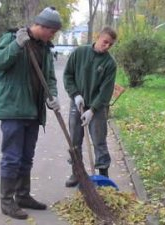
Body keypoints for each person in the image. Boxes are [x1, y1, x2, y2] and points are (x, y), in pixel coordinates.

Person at [0, 7, 62, 220]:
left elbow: (49, 78)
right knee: (12, 158)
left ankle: (22, 196)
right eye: (52, 31)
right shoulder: (13, 37)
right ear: (42, 26)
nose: (53, 35)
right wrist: (16, 45)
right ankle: (7, 201)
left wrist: (53, 96)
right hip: (13, 108)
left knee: (26, 158)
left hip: (34, 110)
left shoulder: (45, 48)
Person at [63, 26, 118, 187]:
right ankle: (77, 173)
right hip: (77, 103)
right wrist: (75, 94)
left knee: (99, 141)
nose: (107, 46)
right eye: (105, 41)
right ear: (98, 37)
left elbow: (106, 91)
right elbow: (68, 75)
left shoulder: (110, 63)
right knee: (74, 141)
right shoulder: (80, 53)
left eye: (110, 44)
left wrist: (92, 110)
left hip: (98, 108)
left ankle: (103, 176)